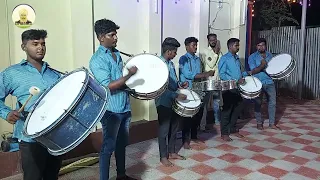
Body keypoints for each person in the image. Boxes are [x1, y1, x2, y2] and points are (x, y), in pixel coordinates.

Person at [0, 29, 62, 180]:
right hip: (30, 139)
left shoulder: (54, 74)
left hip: (54, 137)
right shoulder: (12, 73)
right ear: (24, 47)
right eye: (35, 44)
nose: (40, 47)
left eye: (43, 44)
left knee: (52, 176)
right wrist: (6, 113)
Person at [89, 19, 137, 180]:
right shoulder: (97, 60)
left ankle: (121, 175)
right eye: (112, 34)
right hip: (111, 110)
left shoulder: (116, 54)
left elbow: (121, 80)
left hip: (124, 106)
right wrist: (129, 75)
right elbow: (107, 85)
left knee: (122, 144)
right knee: (108, 147)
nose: (116, 37)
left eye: (116, 34)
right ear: (101, 37)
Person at [155, 37, 188, 166]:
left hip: (173, 101)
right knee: (164, 130)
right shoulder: (159, 65)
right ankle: (163, 156)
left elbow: (172, 82)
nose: (175, 54)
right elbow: (158, 88)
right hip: (163, 102)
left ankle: (172, 152)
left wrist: (180, 84)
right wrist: (174, 95)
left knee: (174, 128)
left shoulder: (170, 64)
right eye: (175, 52)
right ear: (169, 51)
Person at [179, 37, 214, 149]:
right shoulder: (183, 59)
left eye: (196, 45)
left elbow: (199, 73)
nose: (195, 47)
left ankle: (194, 136)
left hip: (198, 89)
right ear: (187, 46)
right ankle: (185, 140)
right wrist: (206, 74)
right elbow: (188, 74)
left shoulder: (198, 59)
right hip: (188, 89)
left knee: (198, 114)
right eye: (193, 45)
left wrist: (205, 76)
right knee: (188, 116)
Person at [218, 38, 249, 142]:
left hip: (237, 88)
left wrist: (247, 75)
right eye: (236, 45)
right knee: (227, 110)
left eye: (238, 45)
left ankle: (232, 128)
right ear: (230, 46)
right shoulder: (224, 59)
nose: (238, 47)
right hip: (228, 88)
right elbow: (222, 74)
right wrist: (236, 81)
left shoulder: (236, 58)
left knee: (238, 108)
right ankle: (224, 133)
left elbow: (240, 72)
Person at [248, 38, 279, 130]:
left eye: (262, 45)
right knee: (258, 103)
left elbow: (274, 68)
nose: (261, 47)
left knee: (272, 103)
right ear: (256, 47)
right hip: (258, 83)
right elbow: (253, 71)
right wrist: (262, 65)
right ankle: (259, 123)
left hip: (270, 82)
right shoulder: (252, 57)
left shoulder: (270, 55)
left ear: (265, 45)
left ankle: (272, 123)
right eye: (258, 45)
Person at [200, 33, 223, 130]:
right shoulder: (205, 51)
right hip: (208, 81)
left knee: (217, 102)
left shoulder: (220, 52)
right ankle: (202, 126)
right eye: (211, 40)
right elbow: (211, 63)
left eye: (215, 39)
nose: (213, 41)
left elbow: (220, 67)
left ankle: (217, 122)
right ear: (208, 41)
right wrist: (216, 53)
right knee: (205, 104)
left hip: (217, 81)